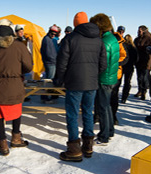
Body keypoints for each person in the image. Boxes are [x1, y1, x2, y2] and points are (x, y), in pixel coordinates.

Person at [55, 11, 106, 162]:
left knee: (72, 115)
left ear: (76, 23)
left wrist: (60, 79)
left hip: (74, 83)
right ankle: (88, 146)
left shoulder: (70, 38)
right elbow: (103, 64)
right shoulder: (98, 40)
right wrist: (92, 74)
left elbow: (62, 63)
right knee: (88, 113)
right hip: (91, 83)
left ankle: (74, 150)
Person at [0, 19, 33, 156]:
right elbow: (28, 66)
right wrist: (19, 71)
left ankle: (3, 143)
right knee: (16, 112)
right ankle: (16, 138)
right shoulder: (19, 46)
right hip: (14, 84)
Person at [90, 13, 120, 146]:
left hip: (104, 79)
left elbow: (102, 63)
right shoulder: (112, 39)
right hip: (111, 77)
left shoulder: (104, 42)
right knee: (107, 105)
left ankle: (103, 136)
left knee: (102, 107)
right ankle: (110, 130)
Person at [109, 29, 128, 125]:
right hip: (102, 73)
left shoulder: (120, 41)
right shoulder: (101, 39)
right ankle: (98, 115)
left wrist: (115, 63)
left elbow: (125, 57)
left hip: (116, 73)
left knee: (113, 95)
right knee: (100, 95)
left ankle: (113, 116)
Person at [40, 25, 61, 103]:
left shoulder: (48, 39)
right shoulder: (47, 40)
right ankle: (45, 97)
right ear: (49, 32)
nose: (53, 35)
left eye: (54, 34)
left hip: (51, 62)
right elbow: (49, 54)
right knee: (49, 81)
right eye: (52, 34)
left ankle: (48, 95)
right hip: (51, 63)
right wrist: (55, 60)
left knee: (49, 80)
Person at [133, 25, 151, 100]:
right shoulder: (136, 39)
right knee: (139, 77)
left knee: (145, 78)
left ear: (144, 31)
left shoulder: (150, 39)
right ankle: (140, 90)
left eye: (140, 31)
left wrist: (142, 49)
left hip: (146, 62)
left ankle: (144, 92)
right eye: (138, 31)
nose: (138, 32)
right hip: (138, 61)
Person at [120, 34, 138, 104]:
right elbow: (137, 58)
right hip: (130, 67)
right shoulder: (134, 48)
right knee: (127, 82)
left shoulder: (123, 47)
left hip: (122, 66)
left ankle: (115, 95)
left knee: (119, 82)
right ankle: (125, 96)